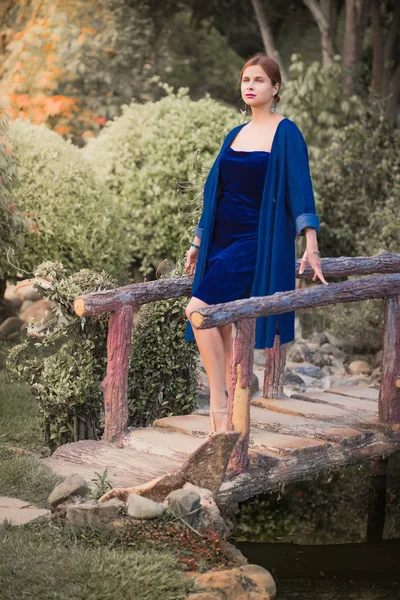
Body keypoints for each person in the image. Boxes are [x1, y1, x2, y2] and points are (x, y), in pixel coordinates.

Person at [183, 53, 327, 437]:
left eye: (259, 80)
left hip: (254, 240)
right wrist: (198, 241)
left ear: (275, 88)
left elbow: (301, 190)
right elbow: (215, 191)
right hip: (220, 239)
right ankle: (235, 411)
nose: (250, 85)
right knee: (224, 325)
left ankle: (218, 405)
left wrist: (310, 243)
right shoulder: (235, 134)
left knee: (198, 311)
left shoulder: (286, 133)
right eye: (246, 79)